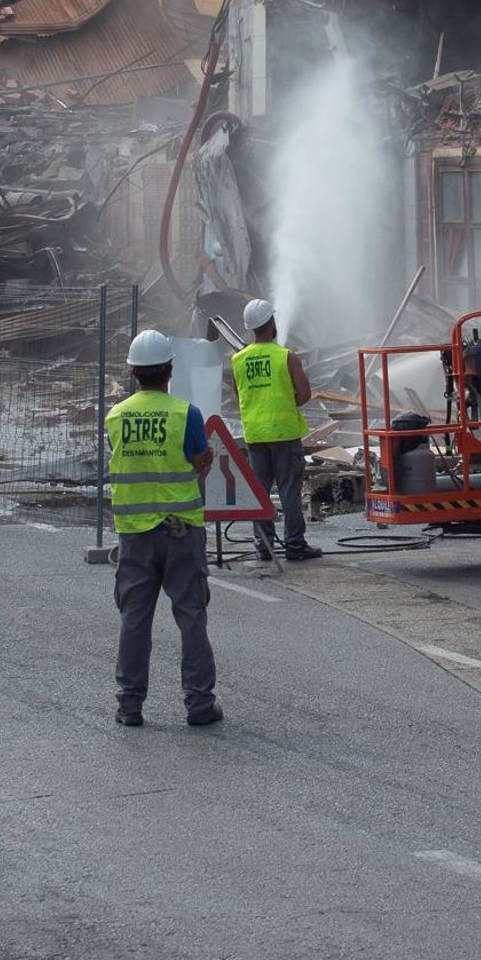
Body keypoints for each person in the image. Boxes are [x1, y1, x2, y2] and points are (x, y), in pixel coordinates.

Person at [105, 329, 223, 729]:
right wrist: (205, 459)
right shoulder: (184, 413)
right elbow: (197, 459)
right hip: (180, 531)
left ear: (133, 373)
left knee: (134, 620)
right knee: (191, 617)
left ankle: (130, 705)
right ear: (169, 370)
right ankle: (199, 705)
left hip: (134, 534)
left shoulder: (115, 416)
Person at [231, 300, 322, 563]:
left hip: (255, 434)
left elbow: (240, 396)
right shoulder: (286, 357)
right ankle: (295, 545)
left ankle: (264, 546)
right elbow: (304, 394)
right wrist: (283, 401)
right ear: (271, 323)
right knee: (289, 490)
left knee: (260, 491)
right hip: (284, 433)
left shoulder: (238, 360)